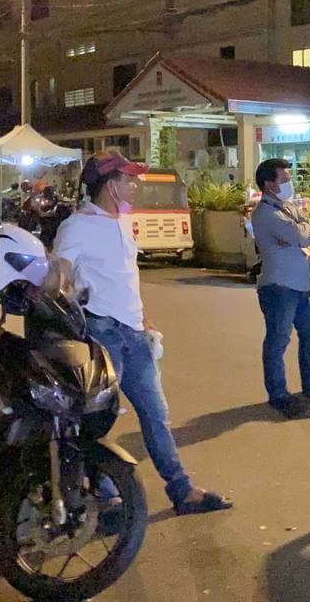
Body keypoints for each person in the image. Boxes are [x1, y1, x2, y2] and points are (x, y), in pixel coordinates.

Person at [54, 150, 232, 515]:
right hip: (101, 333)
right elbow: (60, 274)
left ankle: (182, 491)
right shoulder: (77, 226)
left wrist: (144, 318)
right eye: (128, 179)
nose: (134, 186)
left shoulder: (122, 221)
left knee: (156, 415)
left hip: (134, 334)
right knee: (98, 418)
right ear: (109, 185)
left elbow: (124, 279)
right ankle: (105, 494)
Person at [251, 157, 310, 408]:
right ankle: (278, 394)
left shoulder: (287, 208)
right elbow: (303, 236)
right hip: (279, 286)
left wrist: (304, 229)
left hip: (301, 286)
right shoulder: (266, 213)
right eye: (284, 179)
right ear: (269, 184)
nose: (290, 184)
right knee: (278, 340)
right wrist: (303, 230)